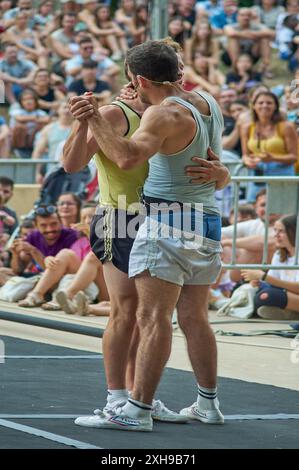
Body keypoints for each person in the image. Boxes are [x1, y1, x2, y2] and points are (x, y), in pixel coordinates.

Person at [63, 40, 230, 427]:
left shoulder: (161, 113)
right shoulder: (197, 103)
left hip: (163, 218)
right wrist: (89, 119)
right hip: (139, 217)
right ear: (175, 73)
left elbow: (127, 156)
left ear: (139, 79)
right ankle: (125, 398)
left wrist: (222, 174)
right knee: (139, 314)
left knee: (150, 318)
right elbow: (72, 163)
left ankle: (138, 405)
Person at [240, 90, 298, 202]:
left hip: (282, 176)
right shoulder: (247, 127)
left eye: (269, 103)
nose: (264, 106)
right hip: (257, 177)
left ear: (276, 106)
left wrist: (272, 158)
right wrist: (248, 161)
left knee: (281, 212)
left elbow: (294, 157)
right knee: (256, 210)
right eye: (260, 103)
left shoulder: (286, 127)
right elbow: (245, 155)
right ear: (254, 106)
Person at [241, 214, 299, 320]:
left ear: (294, 232)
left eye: (281, 231)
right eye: (275, 230)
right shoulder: (279, 254)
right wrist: (260, 282)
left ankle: (292, 313)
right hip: (288, 294)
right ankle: (290, 313)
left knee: (268, 295)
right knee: (255, 292)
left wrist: (264, 277)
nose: (276, 235)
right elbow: (274, 283)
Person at [11, 203, 78, 279]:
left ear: (61, 222)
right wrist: (15, 254)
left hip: (64, 279)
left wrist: (34, 251)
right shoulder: (33, 236)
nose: (49, 229)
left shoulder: (72, 236)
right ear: (36, 226)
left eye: (54, 224)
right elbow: (18, 271)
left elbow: (56, 272)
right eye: (43, 225)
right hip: (41, 277)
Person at [32, 101, 73, 183]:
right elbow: (38, 152)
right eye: (64, 107)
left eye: (70, 108)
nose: (67, 110)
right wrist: (36, 173)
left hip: (74, 172)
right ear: (58, 110)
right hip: (53, 172)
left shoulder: (80, 128)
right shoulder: (48, 129)